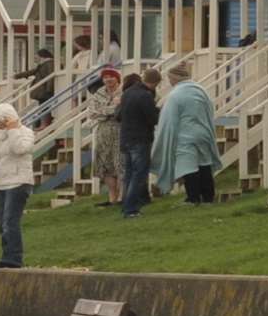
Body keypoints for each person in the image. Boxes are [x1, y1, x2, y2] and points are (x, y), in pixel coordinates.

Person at [152, 62, 222, 204]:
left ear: (175, 79)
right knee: (204, 164)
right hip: (204, 133)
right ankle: (208, 196)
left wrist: (163, 138)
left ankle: (193, 197)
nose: (169, 81)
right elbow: (210, 111)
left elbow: (169, 120)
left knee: (188, 166)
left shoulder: (175, 95)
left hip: (185, 135)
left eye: (170, 78)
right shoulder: (201, 91)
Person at [0, 103, 36, 269]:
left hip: (19, 182)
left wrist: (12, 129)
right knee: (2, 223)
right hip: (2, 183)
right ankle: (6, 256)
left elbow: (20, 149)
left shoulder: (25, 132)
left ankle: (14, 259)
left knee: (10, 222)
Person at [117, 70, 160, 218]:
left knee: (129, 174)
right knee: (139, 174)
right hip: (140, 138)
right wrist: (158, 111)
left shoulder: (127, 92)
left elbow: (118, 115)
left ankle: (126, 205)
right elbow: (153, 119)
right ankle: (131, 209)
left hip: (125, 137)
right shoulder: (146, 96)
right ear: (155, 83)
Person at [90, 67, 124, 206]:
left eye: (111, 76)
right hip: (103, 132)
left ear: (117, 78)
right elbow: (92, 113)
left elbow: (121, 111)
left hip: (119, 131)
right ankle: (112, 196)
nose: (108, 79)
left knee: (120, 162)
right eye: (105, 77)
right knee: (105, 164)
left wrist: (104, 110)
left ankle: (122, 195)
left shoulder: (123, 91)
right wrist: (111, 109)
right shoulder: (99, 93)